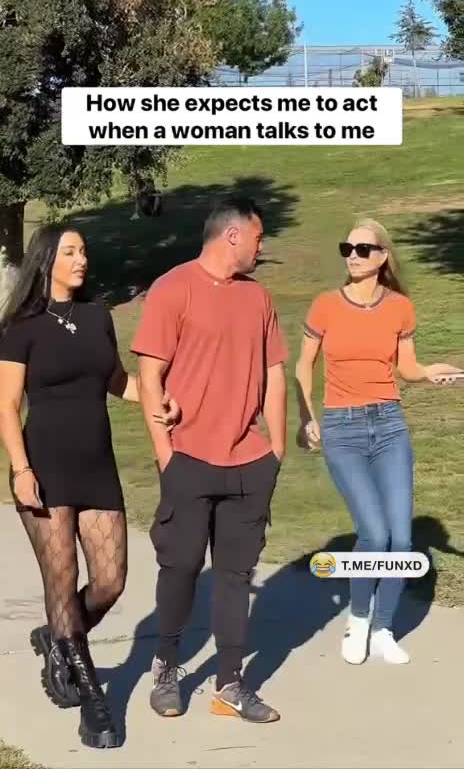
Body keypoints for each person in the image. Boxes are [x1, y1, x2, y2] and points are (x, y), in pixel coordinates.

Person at [0, 224, 179, 750]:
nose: (82, 259)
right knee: (62, 581)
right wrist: (21, 469)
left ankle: (58, 638)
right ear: (46, 260)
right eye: (71, 251)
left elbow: (116, 381)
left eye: (83, 251)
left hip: (97, 465)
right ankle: (95, 702)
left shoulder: (98, 316)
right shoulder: (21, 326)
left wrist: (159, 400)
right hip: (45, 468)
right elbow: (7, 405)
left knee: (110, 581)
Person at [131, 197, 288, 723]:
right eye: (258, 237)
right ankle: (166, 667)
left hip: (250, 462)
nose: (262, 246)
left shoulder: (258, 297)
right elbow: (150, 377)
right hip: (189, 458)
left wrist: (277, 448)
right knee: (180, 568)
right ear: (233, 235)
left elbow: (274, 374)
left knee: (235, 575)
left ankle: (230, 684)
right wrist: (166, 456)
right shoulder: (173, 288)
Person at [295, 218, 462, 666]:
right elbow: (303, 365)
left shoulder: (400, 308)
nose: (353, 255)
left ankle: (384, 628)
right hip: (342, 429)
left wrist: (432, 373)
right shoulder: (326, 305)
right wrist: (306, 417)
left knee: (402, 539)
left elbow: (406, 368)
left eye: (363, 249)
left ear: (383, 256)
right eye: (347, 248)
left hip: (389, 426)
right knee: (374, 532)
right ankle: (359, 619)